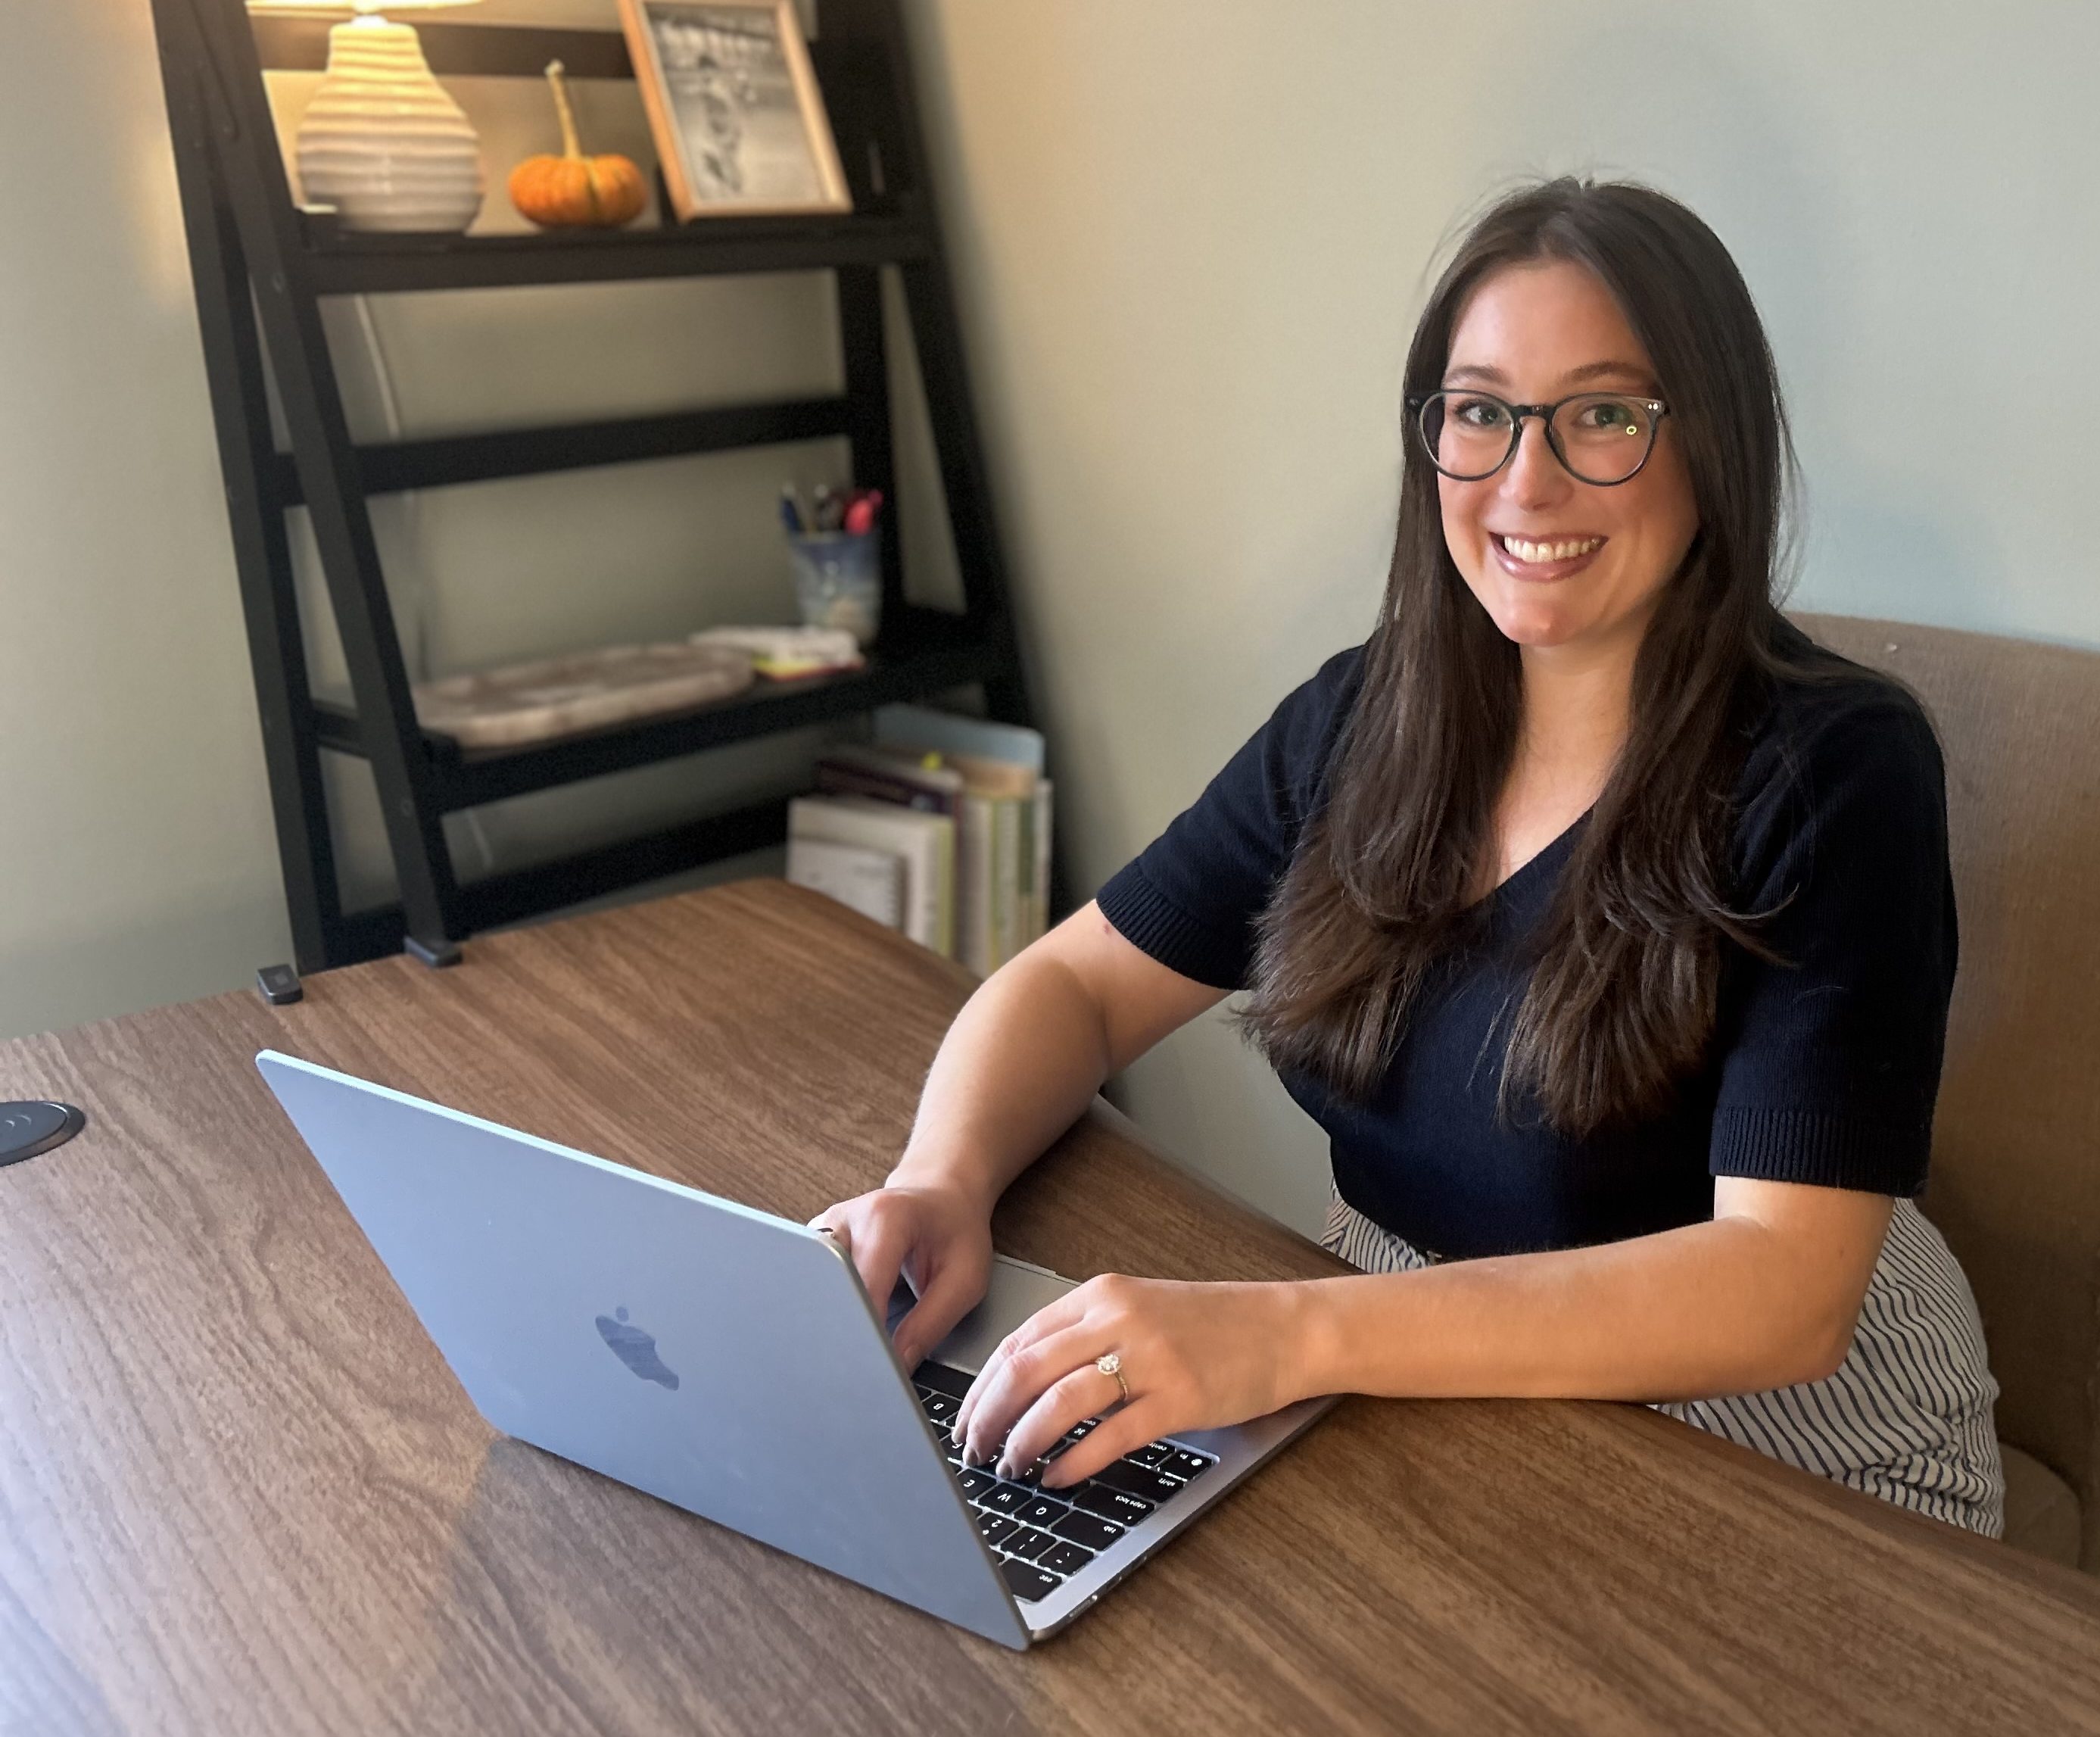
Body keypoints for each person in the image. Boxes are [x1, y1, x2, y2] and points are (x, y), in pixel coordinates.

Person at [812, 177, 2004, 1536]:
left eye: (1605, 414)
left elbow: (1780, 1289)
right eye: (1481, 413)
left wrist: (1287, 1334)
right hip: (1413, 1371)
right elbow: (1077, 985)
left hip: (1788, 1441)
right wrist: (939, 1177)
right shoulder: (1365, 717)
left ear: (1713, 446)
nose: (1527, 479)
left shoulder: (1839, 768)